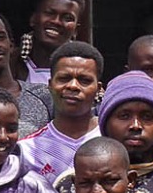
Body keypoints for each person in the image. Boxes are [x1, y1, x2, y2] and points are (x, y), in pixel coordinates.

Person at [16, 42, 104, 182]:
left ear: (98, 89)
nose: (73, 86)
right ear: (50, 85)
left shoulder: (113, 138)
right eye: (64, 78)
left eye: (84, 80)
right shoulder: (27, 151)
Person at [19, 0, 84, 84]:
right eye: (49, 13)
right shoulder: (10, 64)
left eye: (67, 18)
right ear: (33, 19)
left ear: (76, 30)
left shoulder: (84, 73)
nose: (56, 21)